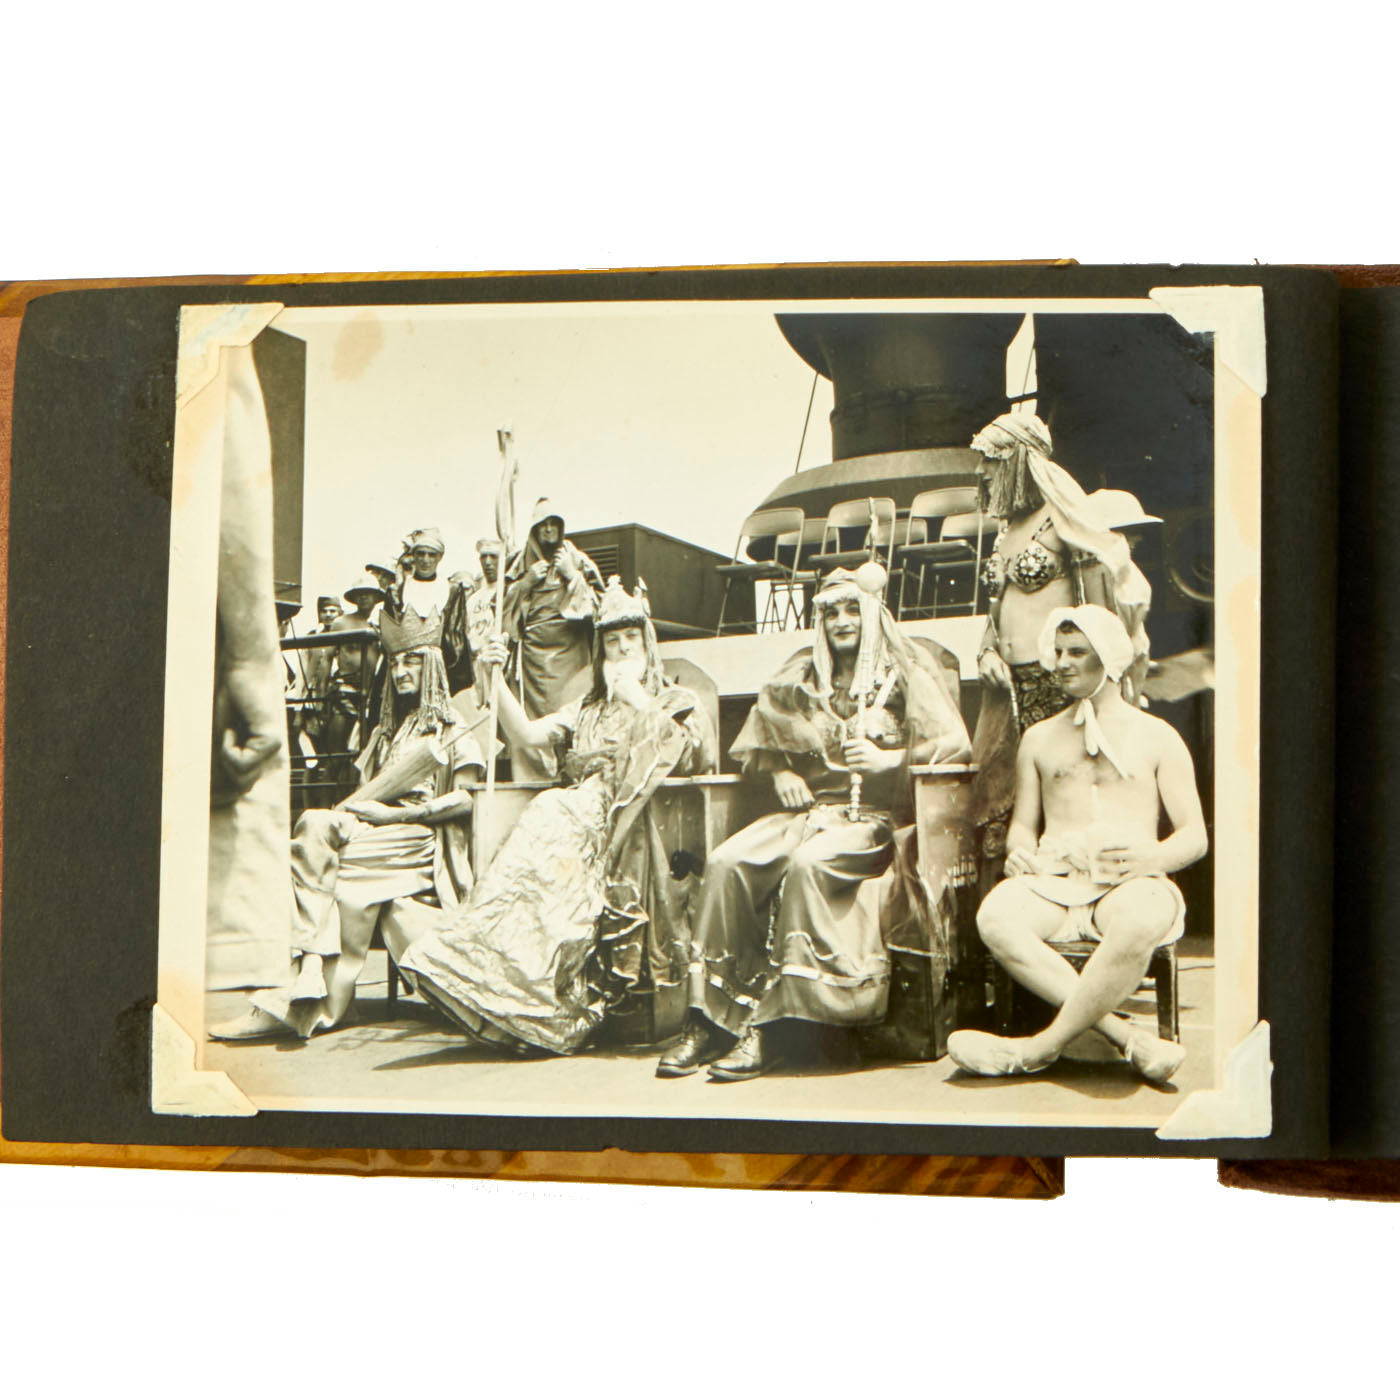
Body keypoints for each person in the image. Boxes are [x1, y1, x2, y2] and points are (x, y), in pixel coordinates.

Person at [657, 564, 972, 1083]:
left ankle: (782, 1027)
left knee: (808, 863)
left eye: (852, 610)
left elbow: (954, 745)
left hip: (872, 822)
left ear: (871, 614)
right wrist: (781, 772)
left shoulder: (903, 673)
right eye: (831, 613)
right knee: (727, 861)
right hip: (806, 814)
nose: (841, 621)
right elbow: (761, 740)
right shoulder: (802, 675)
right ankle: (709, 1019)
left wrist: (889, 760)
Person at [401, 577, 715, 1055]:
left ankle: (531, 1007)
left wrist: (637, 700)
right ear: (600, 651)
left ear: (647, 644)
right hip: (571, 813)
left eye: (631, 638)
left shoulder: (673, 699)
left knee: (549, 832)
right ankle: (503, 996)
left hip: (631, 820)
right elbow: (527, 736)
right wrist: (496, 680)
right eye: (613, 640)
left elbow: (695, 755)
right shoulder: (586, 707)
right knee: (530, 873)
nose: (622, 649)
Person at [946, 604, 1207, 1085]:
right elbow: (1024, 826)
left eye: (1077, 652)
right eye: (1059, 651)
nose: (1061, 663)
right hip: (1053, 881)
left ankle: (1036, 1049)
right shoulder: (1039, 739)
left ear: (1108, 656)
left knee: (1139, 920)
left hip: (1130, 882)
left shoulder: (1158, 736)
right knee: (995, 917)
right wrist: (1018, 853)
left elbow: (1195, 836)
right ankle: (1129, 1038)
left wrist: (1152, 857)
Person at [209, 607, 485, 1041]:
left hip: (416, 839)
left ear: (432, 665)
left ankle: (289, 1001)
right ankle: (309, 965)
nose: (400, 672)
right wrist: (370, 809)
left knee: (320, 872)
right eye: (395, 662)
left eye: (411, 661)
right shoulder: (388, 732)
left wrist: (398, 814)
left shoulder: (452, 728)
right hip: (375, 831)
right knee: (312, 824)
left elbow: (468, 799)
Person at [966, 411, 1153, 878]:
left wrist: (1101, 680)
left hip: (1059, 686)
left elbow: (1101, 605)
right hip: (1005, 691)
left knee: (1066, 795)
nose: (981, 471)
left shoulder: (1065, 517)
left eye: (991, 460)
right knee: (1004, 808)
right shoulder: (1005, 529)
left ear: (1019, 460)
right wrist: (987, 651)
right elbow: (998, 607)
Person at [502, 500, 604, 775]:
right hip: (532, 660)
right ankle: (533, 778)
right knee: (530, 722)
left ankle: (571, 772)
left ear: (561, 527)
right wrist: (524, 584)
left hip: (571, 654)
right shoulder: (518, 563)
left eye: (553, 524)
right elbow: (500, 609)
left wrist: (573, 576)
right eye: (542, 525)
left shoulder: (577, 559)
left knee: (570, 713)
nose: (548, 530)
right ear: (534, 530)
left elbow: (600, 607)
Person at [383, 527, 474, 694]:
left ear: (440, 557)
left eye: (431, 555)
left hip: (441, 667)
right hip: (406, 670)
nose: (426, 560)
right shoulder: (397, 592)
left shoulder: (452, 590)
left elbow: (456, 636)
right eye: (421, 554)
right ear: (413, 556)